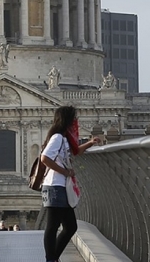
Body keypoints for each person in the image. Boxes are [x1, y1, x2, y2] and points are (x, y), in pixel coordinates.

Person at [40, 105, 100, 262]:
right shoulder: (57, 138)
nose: (75, 122)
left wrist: (90, 143)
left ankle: (53, 258)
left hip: (60, 187)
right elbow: (45, 158)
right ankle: (51, 259)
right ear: (67, 120)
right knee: (54, 226)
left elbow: (74, 152)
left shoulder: (63, 139)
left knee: (70, 226)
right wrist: (65, 172)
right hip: (55, 186)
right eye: (74, 118)